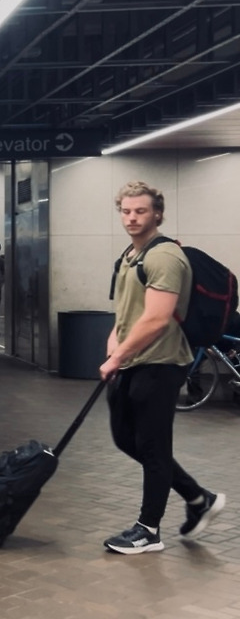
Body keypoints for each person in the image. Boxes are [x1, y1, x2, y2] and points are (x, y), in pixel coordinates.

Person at [98, 181, 225, 555]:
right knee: (126, 439)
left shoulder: (165, 257)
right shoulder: (129, 255)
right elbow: (126, 312)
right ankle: (198, 498)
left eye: (141, 211)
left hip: (161, 363)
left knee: (153, 446)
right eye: (126, 211)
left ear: (157, 213)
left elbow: (157, 318)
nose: (132, 218)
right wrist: (114, 344)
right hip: (132, 361)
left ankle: (148, 530)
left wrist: (117, 357)